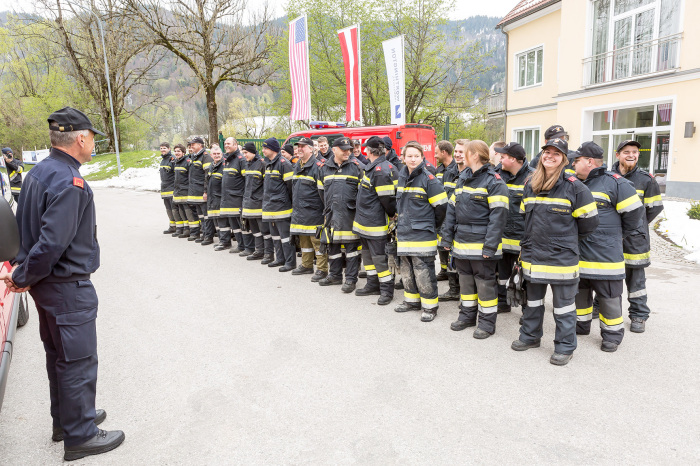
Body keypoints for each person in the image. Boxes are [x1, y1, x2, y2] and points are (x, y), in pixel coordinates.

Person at [0, 107, 124, 461]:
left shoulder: (41, 171)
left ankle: (66, 422)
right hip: (66, 286)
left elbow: (31, 231)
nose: (93, 143)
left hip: (48, 287)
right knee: (78, 360)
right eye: (93, 138)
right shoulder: (71, 182)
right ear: (81, 138)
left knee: (60, 357)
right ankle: (81, 434)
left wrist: (25, 274)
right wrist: (23, 275)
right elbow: (52, 243)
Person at [511, 138, 599, 366]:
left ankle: (565, 347)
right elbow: (524, 216)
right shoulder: (530, 183)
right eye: (546, 152)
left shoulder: (575, 187)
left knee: (564, 308)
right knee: (532, 303)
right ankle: (530, 337)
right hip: (533, 256)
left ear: (564, 159)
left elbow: (589, 223)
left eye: (556, 153)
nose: (550, 156)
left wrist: (564, 240)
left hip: (561, 258)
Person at [572, 141, 643, 352]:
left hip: (605, 256)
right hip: (579, 253)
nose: (573, 165)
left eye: (576, 161)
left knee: (609, 297)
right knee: (580, 293)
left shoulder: (615, 183)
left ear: (589, 162)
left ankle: (612, 335)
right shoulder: (575, 182)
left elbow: (635, 214)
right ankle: (581, 324)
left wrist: (616, 236)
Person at [441, 140, 509, 338]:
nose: (461, 156)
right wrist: (447, 238)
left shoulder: (494, 182)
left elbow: (498, 219)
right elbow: (451, 210)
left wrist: (490, 247)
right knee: (466, 283)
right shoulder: (463, 178)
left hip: (482, 247)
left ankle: (487, 323)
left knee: (485, 285)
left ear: (475, 155)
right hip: (462, 244)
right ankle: (467, 316)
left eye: (466, 152)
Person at [612, 140, 664, 333]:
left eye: (635, 152)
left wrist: (636, 225)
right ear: (618, 155)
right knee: (606, 276)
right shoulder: (607, 177)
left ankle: (638, 315)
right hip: (611, 238)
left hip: (635, 239)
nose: (631, 155)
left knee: (636, 280)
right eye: (626, 152)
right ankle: (599, 306)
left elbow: (654, 208)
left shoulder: (646, 180)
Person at [394, 141, 448, 322]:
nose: (413, 159)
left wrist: (429, 225)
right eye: (409, 156)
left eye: (416, 156)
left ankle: (430, 306)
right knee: (407, 269)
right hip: (404, 232)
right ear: (403, 158)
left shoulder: (429, 179)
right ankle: (412, 301)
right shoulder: (401, 176)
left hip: (423, 234)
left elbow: (441, 207)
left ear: (422, 158)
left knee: (423, 271)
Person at [353, 136, 399, 305]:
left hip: (376, 224)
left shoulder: (380, 170)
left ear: (369, 151)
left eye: (365, 148)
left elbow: (387, 200)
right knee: (368, 256)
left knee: (379, 258)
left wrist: (393, 215)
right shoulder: (374, 168)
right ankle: (372, 284)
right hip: (365, 223)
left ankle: (387, 290)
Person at [316, 137, 364, 292]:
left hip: (350, 215)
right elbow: (321, 192)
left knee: (352, 249)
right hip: (331, 214)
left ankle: (350, 279)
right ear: (334, 149)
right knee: (333, 247)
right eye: (344, 149)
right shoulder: (324, 168)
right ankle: (335, 275)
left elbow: (363, 194)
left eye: (349, 149)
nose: (348, 152)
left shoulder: (357, 167)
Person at [494, 142, 533, 314]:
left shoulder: (532, 178)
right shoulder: (496, 175)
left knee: (524, 276)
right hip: (502, 236)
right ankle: (503, 302)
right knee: (502, 274)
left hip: (521, 237)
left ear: (514, 159)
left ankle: (527, 309)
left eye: (504, 156)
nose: (500, 159)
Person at [290, 137, 328, 280]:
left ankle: (322, 269)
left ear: (311, 149)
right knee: (304, 241)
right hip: (300, 211)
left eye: (303, 146)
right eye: (298, 146)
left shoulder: (318, 167)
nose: (299, 149)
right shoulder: (297, 166)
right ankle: (306, 265)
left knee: (317, 242)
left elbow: (324, 192)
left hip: (315, 212)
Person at [438, 139, 470, 302]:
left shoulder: (473, 174)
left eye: (461, 152)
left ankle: (466, 293)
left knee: (465, 263)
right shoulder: (448, 172)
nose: (457, 154)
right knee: (450, 258)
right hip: (448, 224)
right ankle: (453, 289)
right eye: (456, 151)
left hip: (466, 225)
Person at [261, 138, 296, 271]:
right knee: (275, 236)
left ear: (273, 149)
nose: (263, 150)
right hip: (270, 206)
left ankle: (290, 262)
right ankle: (280, 258)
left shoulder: (283, 164)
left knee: (286, 237)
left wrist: (288, 203)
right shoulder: (267, 163)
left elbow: (290, 187)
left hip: (282, 207)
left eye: (265, 148)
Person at [217, 137, 253, 254]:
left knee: (242, 225)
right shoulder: (227, 159)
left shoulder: (240, 159)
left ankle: (249, 247)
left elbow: (246, 180)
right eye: (225, 143)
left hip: (237, 198)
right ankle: (240, 245)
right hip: (228, 199)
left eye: (229, 143)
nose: (226, 145)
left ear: (236, 145)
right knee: (234, 225)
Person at [241, 142, 272, 262]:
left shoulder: (262, 164)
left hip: (259, 204)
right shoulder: (247, 164)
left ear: (253, 152)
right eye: (243, 153)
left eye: (246, 153)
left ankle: (268, 253)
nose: (245, 155)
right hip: (249, 204)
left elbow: (266, 186)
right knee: (255, 230)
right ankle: (259, 250)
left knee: (265, 230)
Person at [434, 140, 456, 282]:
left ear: (444, 152)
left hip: (452, 214)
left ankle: (451, 271)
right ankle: (443, 270)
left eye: (436, 153)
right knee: (441, 245)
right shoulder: (439, 170)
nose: (435, 156)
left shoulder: (457, 170)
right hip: (440, 214)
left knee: (450, 245)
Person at [186, 136, 213, 242]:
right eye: (191, 144)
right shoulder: (193, 156)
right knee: (201, 215)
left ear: (200, 145)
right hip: (195, 192)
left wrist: (205, 191)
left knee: (206, 216)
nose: (191, 146)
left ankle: (208, 236)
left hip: (202, 191)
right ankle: (204, 234)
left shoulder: (206, 157)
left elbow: (207, 176)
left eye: (194, 144)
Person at [205, 144, 224, 246]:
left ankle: (224, 241)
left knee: (221, 222)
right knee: (215, 220)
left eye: (218, 153)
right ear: (211, 155)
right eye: (214, 154)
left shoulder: (224, 165)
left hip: (220, 197)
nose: (217, 155)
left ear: (222, 154)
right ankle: (221, 240)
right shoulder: (211, 166)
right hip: (212, 196)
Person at [172, 143, 193, 238]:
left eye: (179, 151)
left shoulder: (187, 162)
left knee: (187, 211)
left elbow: (190, 178)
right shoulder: (176, 162)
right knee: (181, 210)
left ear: (183, 152)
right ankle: (185, 228)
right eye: (175, 151)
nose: (177, 153)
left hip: (185, 190)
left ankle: (190, 229)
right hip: (178, 191)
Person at [158, 143, 177, 234]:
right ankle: (172, 226)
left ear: (169, 149)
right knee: (168, 209)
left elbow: (176, 175)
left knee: (174, 209)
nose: (162, 150)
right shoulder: (163, 160)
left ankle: (179, 227)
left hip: (172, 188)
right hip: (165, 189)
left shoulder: (172, 159)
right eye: (161, 148)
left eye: (164, 148)